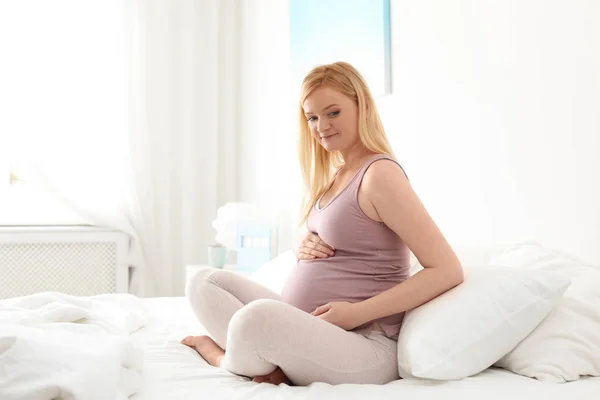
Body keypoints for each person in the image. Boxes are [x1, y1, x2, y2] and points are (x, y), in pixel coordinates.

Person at [182, 61, 464, 386]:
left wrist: (357, 313)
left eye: (333, 113)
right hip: (311, 327)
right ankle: (264, 360)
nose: (321, 126)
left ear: (363, 107)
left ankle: (222, 357)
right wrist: (299, 243)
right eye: (312, 117)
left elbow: (446, 269)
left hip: (364, 342)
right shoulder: (337, 173)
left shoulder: (380, 175)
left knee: (254, 320)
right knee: (203, 282)